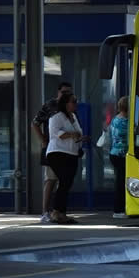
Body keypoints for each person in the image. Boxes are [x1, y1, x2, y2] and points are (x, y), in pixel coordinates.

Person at [31, 81, 73, 223]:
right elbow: (35, 122)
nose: (66, 95)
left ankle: (59, 211)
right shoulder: (51, 105)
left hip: (68, 149)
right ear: (58, 92)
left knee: (64, 180)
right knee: (51, 179)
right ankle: (45, 211)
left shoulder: (70, 106)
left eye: (69, 92)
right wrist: (43, 139)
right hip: (53, 148)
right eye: (64, 92)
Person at [46, 92, 88, 224]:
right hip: (58, 152)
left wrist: (81, 138)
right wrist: (71, 134)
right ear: (65, 103)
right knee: (64, 181)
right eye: (73, 101)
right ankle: (56, 212)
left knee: (67, 183)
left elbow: (77, 133)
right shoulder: (56, 117)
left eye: (76, 101)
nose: (76, 104)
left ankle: (61, 213)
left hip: (72, 153)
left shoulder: (73, 117)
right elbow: (55, 133)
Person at [109, 96, 129, 219]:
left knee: (120, 181)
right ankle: (119, 210)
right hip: (122, 155)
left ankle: (120, 208)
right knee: (121, 183)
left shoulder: (115, 119)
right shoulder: (126, 122)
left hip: (114, 153)